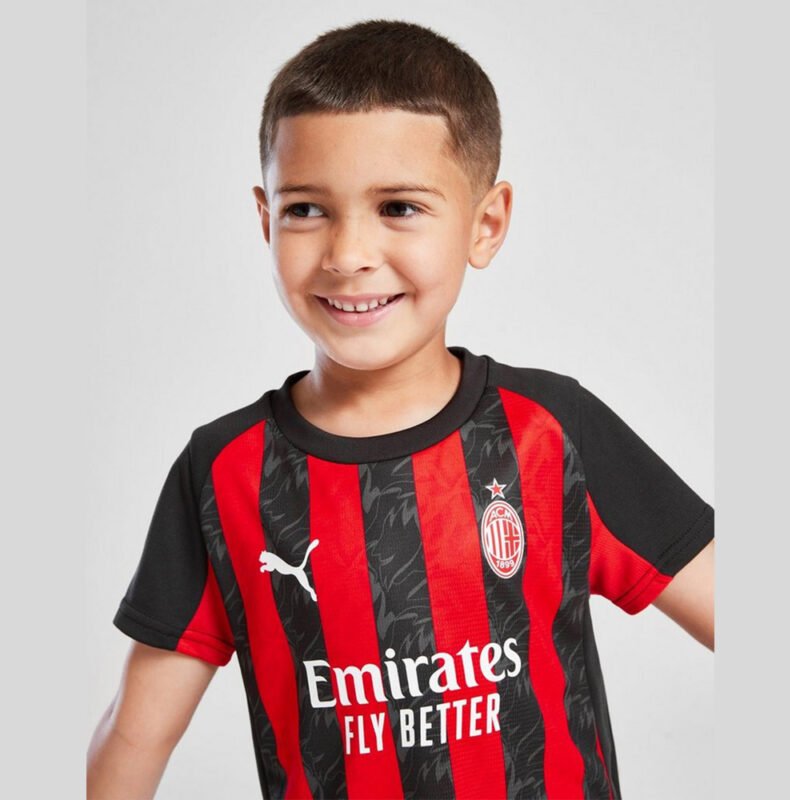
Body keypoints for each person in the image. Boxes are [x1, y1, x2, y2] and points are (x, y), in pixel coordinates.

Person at [86, 18, 714, 800]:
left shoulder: (551, 432)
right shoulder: (224, 473)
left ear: (485, 224)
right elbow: (136, 734)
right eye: (306, 209)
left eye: (399, 207)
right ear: (265, 219)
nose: (348, 254)